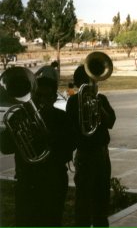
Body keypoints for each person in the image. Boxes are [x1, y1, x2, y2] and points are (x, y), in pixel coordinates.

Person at [0, 76, 76, 226]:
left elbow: (69, 147)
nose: (40, 100)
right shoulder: (20, 116)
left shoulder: (62, 118)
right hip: (27, 182)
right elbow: (5, 147)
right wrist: (11, 131)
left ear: (54, 97)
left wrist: (48, 136)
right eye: (37, 95)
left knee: (51, 221)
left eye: (45, 96)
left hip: (53, 182)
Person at [66, 65, 116, 226]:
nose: (95, 85)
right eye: (91, 81)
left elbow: (111, 122)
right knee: (83, 202)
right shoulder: (73, 101)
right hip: (85, 155)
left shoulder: (101, 99)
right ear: (83, 83)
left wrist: (98, 107)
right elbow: (73, 128)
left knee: (102, 200)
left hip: (102, 154)